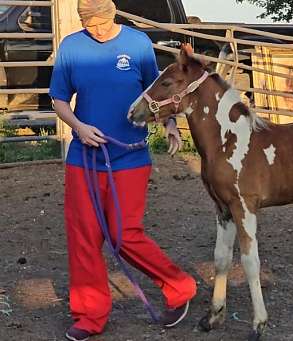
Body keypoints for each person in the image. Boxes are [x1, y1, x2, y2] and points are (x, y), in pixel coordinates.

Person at [49, 1, 196, 340]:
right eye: (89, 24)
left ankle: (179, 286)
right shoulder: (71, 47)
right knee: (83, 235)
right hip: (84, 159)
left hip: (129, 158)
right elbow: (58, 98)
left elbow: (158, 91)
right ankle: (89, 315)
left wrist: (171, 123)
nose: (96, 30)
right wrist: (78, 127)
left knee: (122, 232)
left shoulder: (137, 44)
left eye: (101, 23)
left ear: (113, 15)